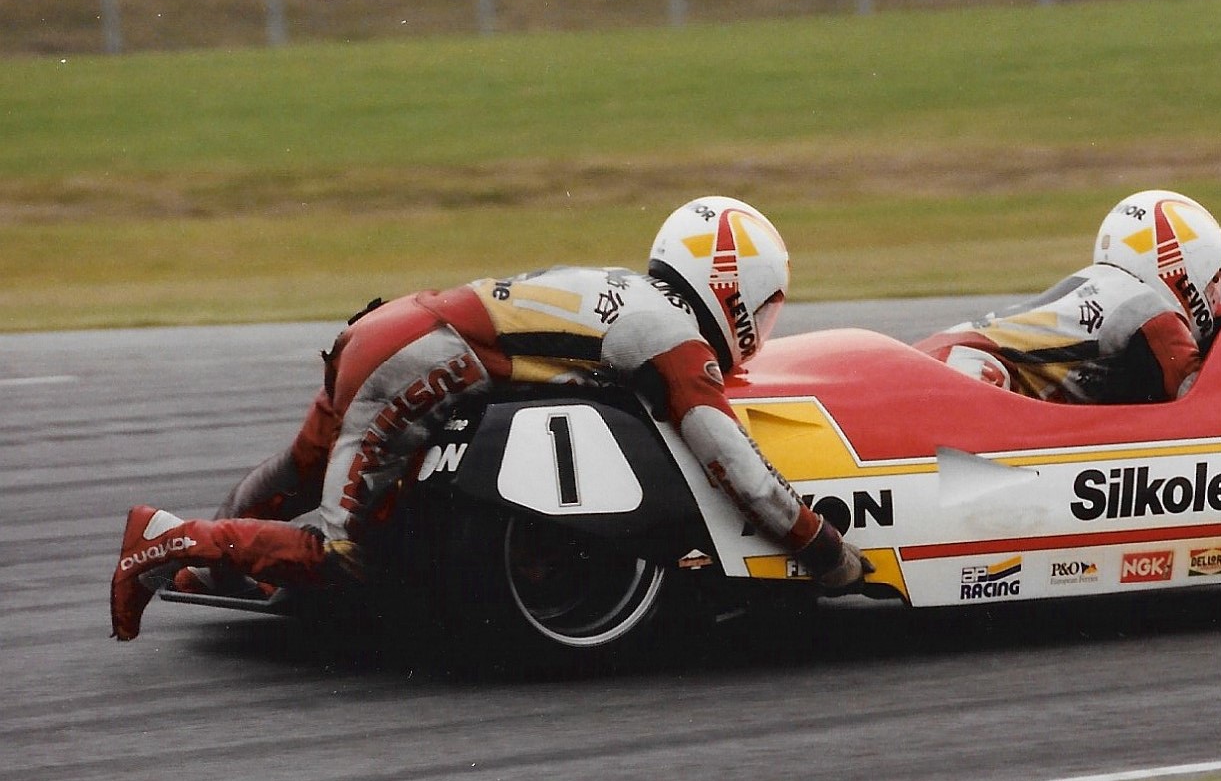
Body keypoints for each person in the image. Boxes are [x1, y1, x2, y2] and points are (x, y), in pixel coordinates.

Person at [110, 196, 867, 642]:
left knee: (295, 472)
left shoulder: (630, 292)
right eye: (763, 314)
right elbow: (730, 460)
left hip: (388, 332)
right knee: (349, 558)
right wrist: (822, 546)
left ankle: (198, 557)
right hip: (412, 363)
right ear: (735, 294)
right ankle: (174, 538)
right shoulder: (676, 338)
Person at [916, 190, 1221, 405]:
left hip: (932, 358)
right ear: (1186, 266)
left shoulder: (1102, 288)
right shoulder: (1149, 310)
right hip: (969, 372)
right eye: (1214, 280)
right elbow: (1201, 401)